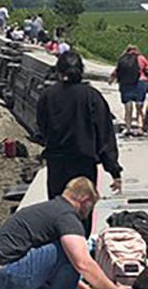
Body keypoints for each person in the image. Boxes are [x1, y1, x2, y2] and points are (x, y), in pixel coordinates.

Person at [0, 177, 141, 289]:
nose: (89, 212)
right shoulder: (67, 216)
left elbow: (53, 266)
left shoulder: (50, 209)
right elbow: (82, 263)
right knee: (74, 250)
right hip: (8, 276)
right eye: (91, 205)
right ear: (83, 199)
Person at [36, 51, 122, 232]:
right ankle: (80, 254)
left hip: (57, 163)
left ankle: (61, 254)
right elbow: (104, 135)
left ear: (59, 70)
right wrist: (113, 169)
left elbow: (42, 129)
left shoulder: (47, 96)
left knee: (58, 215)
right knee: (82, 215)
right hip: (84, 165)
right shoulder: (91, 96)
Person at [109, 44, 148, 136]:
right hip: (140, 83)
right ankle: (140, 128)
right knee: (139, 108)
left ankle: (128, 128)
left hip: (125, 85)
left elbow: (116, 71)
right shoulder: (141, 58)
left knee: (128, 108)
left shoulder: (122, 59)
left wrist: (111, 80)